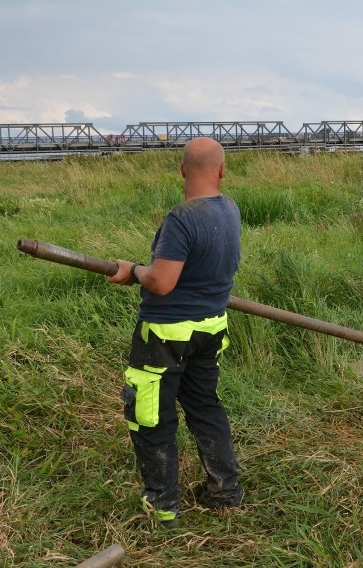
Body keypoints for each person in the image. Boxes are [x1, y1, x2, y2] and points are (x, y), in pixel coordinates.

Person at [107, 137, 243, 528]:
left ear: (182, 170)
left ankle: (163, 508)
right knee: (205, 407)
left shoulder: (182, 217)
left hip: (166, 336)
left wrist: (132, 271)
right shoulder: (229, 209)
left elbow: (163, 282)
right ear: (221, 170)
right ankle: (226, 493)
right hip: (211, 328)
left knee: (151, 417)